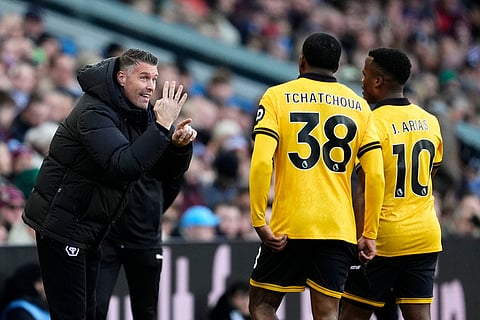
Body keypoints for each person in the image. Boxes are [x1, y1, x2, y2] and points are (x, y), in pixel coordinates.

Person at [22, 48, 196, 320]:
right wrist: (162, 126)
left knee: (91, 314)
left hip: (92, 227)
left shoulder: (139, 112)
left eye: (154, 78)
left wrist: (177, 147)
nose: (151, 86)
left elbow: (162, 172)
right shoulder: (94, 110)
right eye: (143, 78)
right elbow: (123, 165)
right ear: (121, 78)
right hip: (63, 224)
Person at [247, 32, 385, 320]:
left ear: (301, 61)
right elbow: (375, 175)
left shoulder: (276, 96)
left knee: (261, 305)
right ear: (336, 67)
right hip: (338, 227)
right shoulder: (359, 107)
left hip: (289, 225)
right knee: (326, 315)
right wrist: (369, 232)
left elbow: (261, 161)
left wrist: (259, 219)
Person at [339, 48, 443, 320]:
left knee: (350, 315)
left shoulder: (369, 123)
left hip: (383, 237)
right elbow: (430, 177)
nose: (361, 81)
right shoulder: (430, 121)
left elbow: (363, 189)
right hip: (425, 236)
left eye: (364, 75)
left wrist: (363, 237)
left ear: (377, 81)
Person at [93, 108, 194, 319]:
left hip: (144, 236)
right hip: (107, 235)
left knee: (146, 311)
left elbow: (174, 178)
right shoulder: (108, 125)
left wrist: (152, 211)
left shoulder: (164, 130)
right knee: (95, 307)